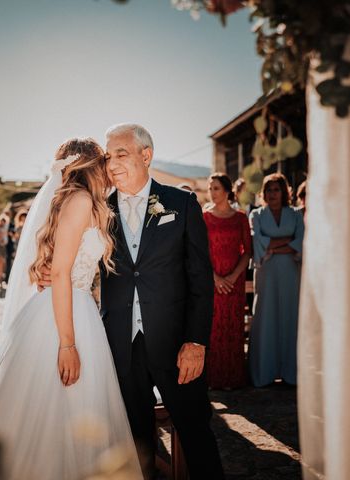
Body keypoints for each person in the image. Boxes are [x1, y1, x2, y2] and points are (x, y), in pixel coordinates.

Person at [0, 138, 141, 480]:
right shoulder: (79, 201)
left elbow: (72, 267)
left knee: (70, 410)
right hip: (64, 317)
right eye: (103, 160)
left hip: (77, 307)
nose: (108, 166)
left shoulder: (90, 202)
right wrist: (67, 344)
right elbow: (60, 273)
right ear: (89, 165)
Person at [97, 124, 223, 479]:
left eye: (121, 154)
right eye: (108, 157)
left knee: (197, 433)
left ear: (146, 155)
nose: (112, 164)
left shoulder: (180, 204)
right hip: (121, 348)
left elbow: (200, 280)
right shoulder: (99, 212)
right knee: (135, 445)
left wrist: (196, 342)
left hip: (176, 345)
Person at [248, 173, 304, 387]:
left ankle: (292, 373)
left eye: (276, 189)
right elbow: (258, 243)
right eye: (268, 190)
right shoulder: (257, 215)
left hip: (291, 272)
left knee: (291, 316)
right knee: (266, 316)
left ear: (284, 192)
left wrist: (272, 245)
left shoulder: (296, 214)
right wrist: (284, 243)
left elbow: (300, 241)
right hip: (267, 272)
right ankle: (264, 372)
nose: (272, 194)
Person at [203, 173, 252, 389]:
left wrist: (231, 277)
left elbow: (247, 252)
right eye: (210, 188)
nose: (212, 193)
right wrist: (215, 277)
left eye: (216, 188)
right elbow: (200, 251)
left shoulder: (241, 218)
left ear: (227, 191)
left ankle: (233, 378)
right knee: (213, 328)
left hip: (234, 281)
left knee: (233, 327)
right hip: (212, 279)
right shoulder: (204, 217)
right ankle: (214, 379)